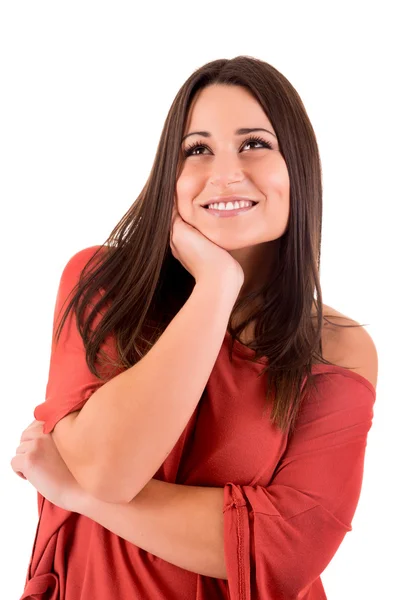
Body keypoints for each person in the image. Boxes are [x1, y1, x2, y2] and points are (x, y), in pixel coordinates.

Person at [11, 56, 378, 599]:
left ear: (297, 169)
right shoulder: (105, 285)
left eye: (254, 143)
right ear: (170, 177)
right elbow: (108, 466)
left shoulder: (338, 349)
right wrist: (215, 284)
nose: (225, 172)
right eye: (197, 149)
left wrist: (79, 495)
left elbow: (288, 550)